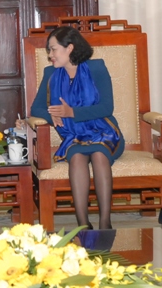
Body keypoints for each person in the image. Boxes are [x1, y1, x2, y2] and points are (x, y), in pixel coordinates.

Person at [20, 26, 125, 229]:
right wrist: (52, 115)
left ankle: (105, 223)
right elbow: (36, 108)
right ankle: (83, 224)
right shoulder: (51, 74)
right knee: (76, 158)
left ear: (69, 48)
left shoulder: (97, 68)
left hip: (104, 132)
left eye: (53, 49)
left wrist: (72, 113)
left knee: (99, 155)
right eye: (49, 51)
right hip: (74, 135)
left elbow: (107, 107)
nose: (50, 55)